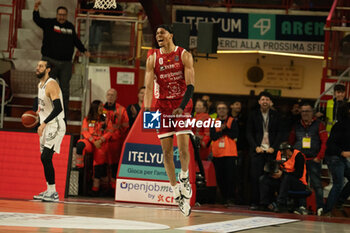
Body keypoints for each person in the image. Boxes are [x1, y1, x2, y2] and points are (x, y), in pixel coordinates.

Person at [144, 24, 195, 216]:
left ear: (171, 35)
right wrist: (148, 111)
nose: (158, 35)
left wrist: (182, 106)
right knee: (166, 153)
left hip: (182, 104)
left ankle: (184, 177)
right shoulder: (152, 58)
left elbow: (190, 87)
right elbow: (148, 88)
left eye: (162, 32)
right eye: (156, 33)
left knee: (182, 148)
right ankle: (176, 192)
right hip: (162, 107)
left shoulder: (184, 55)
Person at [33, 0, 90, 120]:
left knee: (64, 90)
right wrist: (36, 7)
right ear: (57, 14)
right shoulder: (49, 23)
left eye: (64, 15)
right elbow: (37, 20)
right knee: (45, 87)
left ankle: (63, 116)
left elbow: (76, 40)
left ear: (66, 15)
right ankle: (42, 113)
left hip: (66, 64)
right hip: (49, 62)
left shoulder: (70, 27)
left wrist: (84, 50)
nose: (62, 16)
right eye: (60, 14)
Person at [32, 60, 66, 202]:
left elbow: (58, 108)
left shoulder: (51, 84)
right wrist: (37, 114)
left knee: (46, 157)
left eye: (41, 66)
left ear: (48, 69)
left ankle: (53, 192)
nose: (37, 68)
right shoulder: (40, 85)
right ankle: (49, 190)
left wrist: (44, 123)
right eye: (37, 66)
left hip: (55, 124)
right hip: (46, 124)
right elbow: (42, 103)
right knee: (44, 158)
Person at [288, 102, 328, 216]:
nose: (305, 113)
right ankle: (302, 206)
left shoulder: (319, 125)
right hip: (299, 160)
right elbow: (291, 141)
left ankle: (320, 207)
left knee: (317, 185)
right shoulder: (296, 125)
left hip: (313, 159)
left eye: (307, 111)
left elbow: (325, 142)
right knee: (301, 184)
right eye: (303, 111)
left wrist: (319, 157)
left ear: (312, 112)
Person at [246, 91, 282, 210]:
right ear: (259, 102)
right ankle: (255, 202)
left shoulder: (276, 115)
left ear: (271, 102)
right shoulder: (253, 114)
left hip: (271, 151)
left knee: (269, 178)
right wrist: (255, 146)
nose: (265, 102)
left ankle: (268, 202)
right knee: (255, 177)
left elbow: (279, 134)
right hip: (258, 150)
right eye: (262, 99)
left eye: (267, 99)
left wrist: (274, 147)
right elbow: (249, 133)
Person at [76, 100, 113, 195]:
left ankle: (95, 188)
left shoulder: (106, 119)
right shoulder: (87, 119)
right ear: (95, 108)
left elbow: (110, 131)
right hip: (90, 141)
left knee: (99, 161)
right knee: (80, 144)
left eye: (102, 107)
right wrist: (93, 141)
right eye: (100, 107)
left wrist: (100, 140)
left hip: (101, 142)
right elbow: (85, 132)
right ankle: (79, 166)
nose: (102, 109)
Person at [259, 143, 308, 215]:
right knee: (263, 179)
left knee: (287, 178)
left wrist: (282, 174)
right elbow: (276, 166)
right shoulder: (279, 154)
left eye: (283, 151)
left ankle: (281, 204)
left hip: (299, 183)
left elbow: (298, 174)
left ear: (288, 150)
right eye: (281, 151)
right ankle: (265, 204)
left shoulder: (298, 156)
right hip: (283, 180)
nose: (282, 153)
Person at [210, 102, 239, 205]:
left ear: (227, 110)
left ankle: (230, 198)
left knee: (230, 177)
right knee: (220, 177)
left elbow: (234, 134)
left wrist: (223, 130)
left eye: (223, 108)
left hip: (230, 153)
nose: (221, 110)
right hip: (218, 154)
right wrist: (225, 130)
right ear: (217, 111)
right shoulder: (214, 122)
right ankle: (223, 197)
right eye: (219, 109)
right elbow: (213, 136)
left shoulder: (232, 121)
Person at [324, 102, 350, 216]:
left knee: (339, 183)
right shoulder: (340, 125)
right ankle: (327, 210)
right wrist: (341, 152)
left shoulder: (345, 124)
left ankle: (339, 202)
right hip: (334, 156)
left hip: (340, 157)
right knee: (338, 183)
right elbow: (330, 143)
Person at [104, 88, 129, 189]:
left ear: (116, 97)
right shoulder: (100, 108)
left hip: (115, 140)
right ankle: (103, 186)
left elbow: (125, 126)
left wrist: (117, 135)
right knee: (102, 164)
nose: (110, 96)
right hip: (102, 141)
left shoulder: (121, 109)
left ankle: (113, 188)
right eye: (108, 94)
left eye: (112, 95)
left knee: (114, 164)